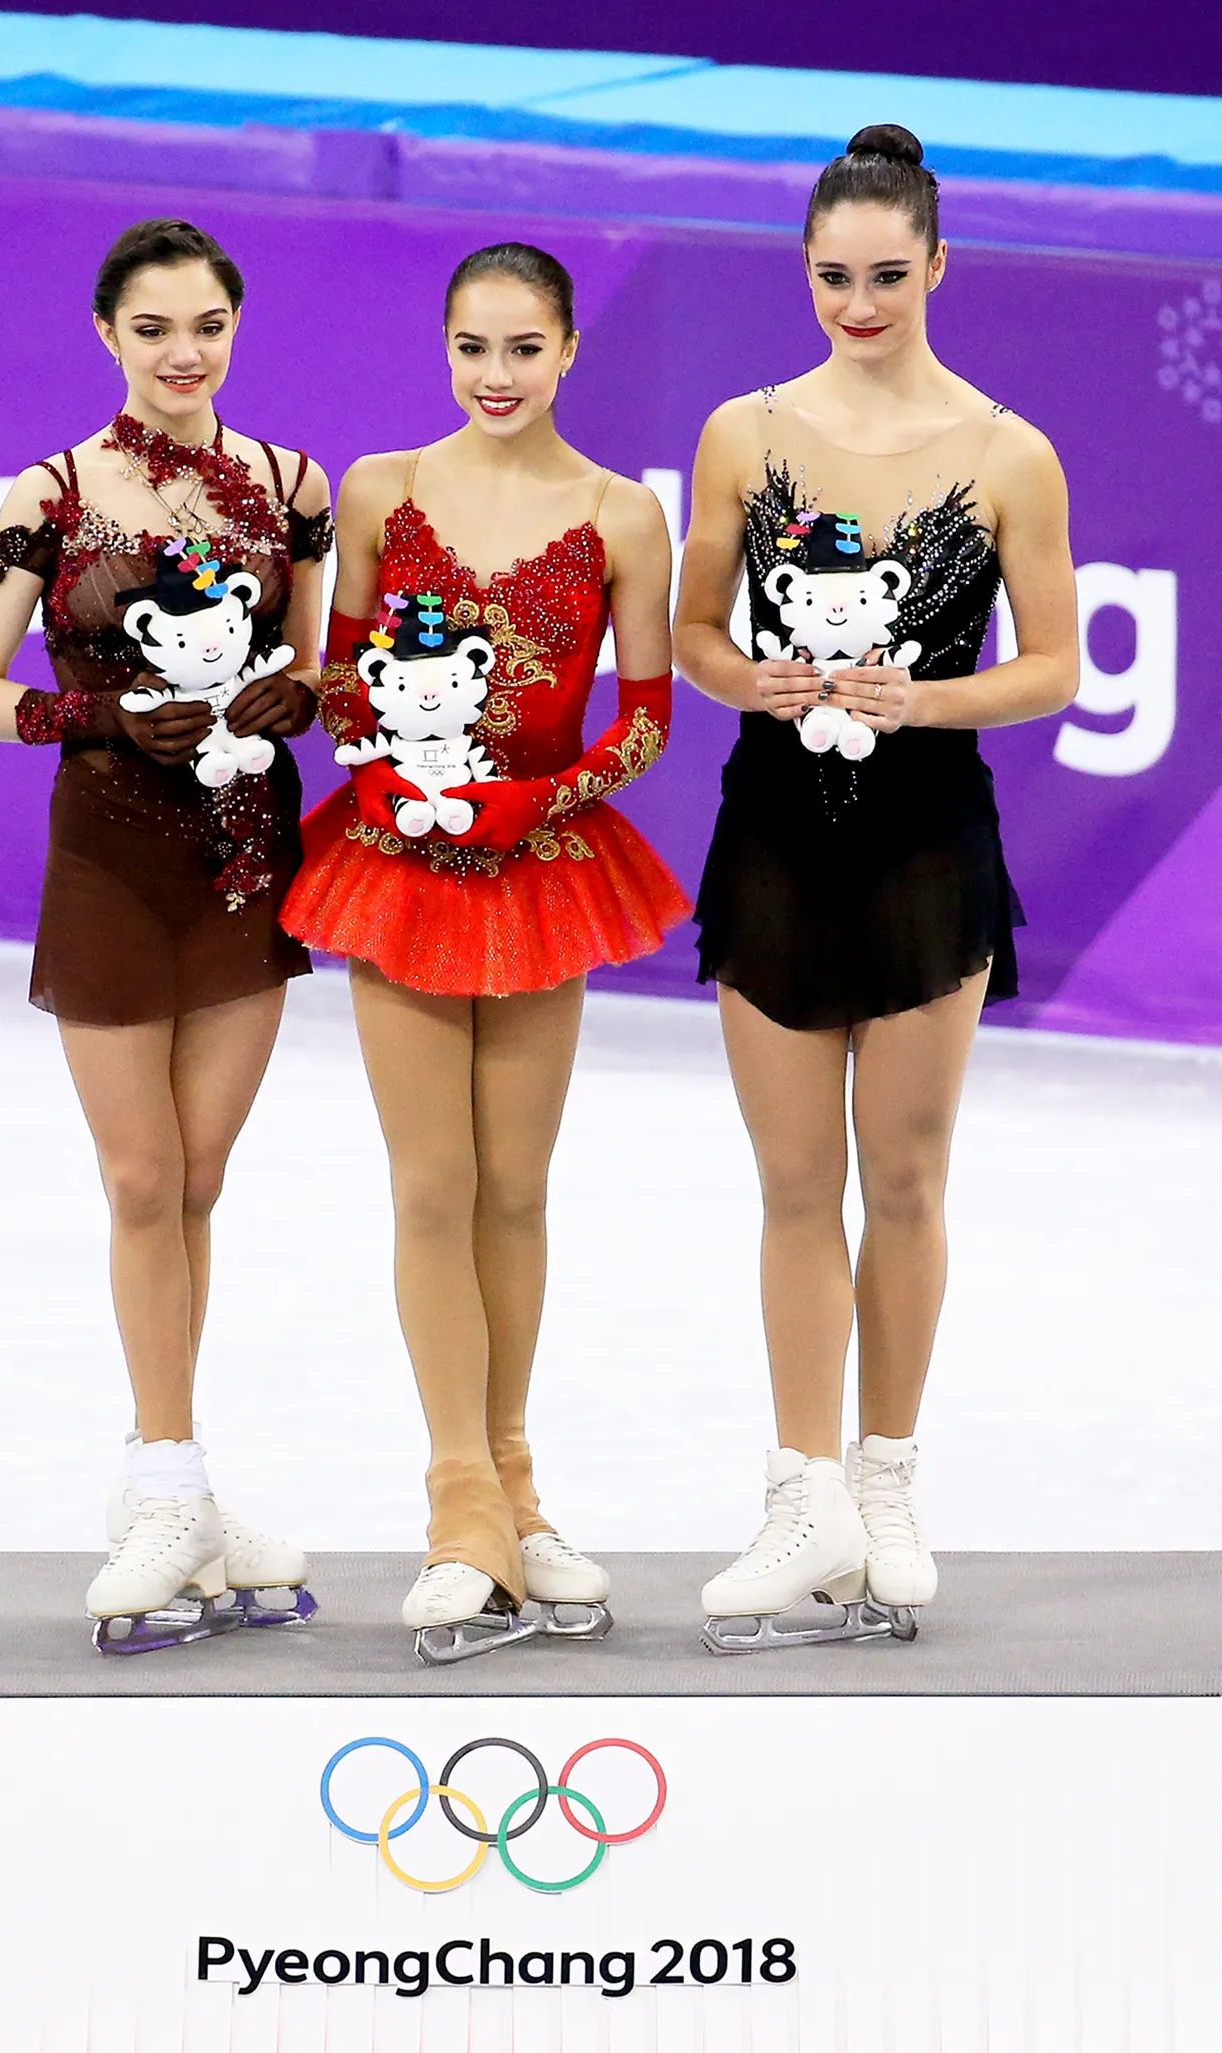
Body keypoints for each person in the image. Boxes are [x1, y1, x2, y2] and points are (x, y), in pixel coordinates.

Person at [672, 127, 1079, 1652]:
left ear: (939, 268)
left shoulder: (1006, 453)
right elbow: (695, 634)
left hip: (924, 848)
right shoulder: (742, 433)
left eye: (887, 275)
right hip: (774, 834)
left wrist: (922, 702)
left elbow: (1053, 665)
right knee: (793, 1185)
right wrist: (754, 680)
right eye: (835, 275)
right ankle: (798, 1493)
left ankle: (887, 1480)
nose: (859, 301)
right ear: (805, 271)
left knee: (903, 1177)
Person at [283, 242, 689, 1663]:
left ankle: (516, 1489)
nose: (496, 376)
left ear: (570, 350)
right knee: (432, 1183)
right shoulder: (382, 490)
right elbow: (338, 671)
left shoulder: (623, 515)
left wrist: (534, 799)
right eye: (472, 347)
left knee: (514, 1186)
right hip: (401, 863)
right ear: (443, 349)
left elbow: (645, 719)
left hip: (539, 867)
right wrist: (381, 766)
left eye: (523, 348)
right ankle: (457, 1499)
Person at [0, 218, 331, 1651]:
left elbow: (325, 665)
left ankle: (181, 1483)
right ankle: (165, 1479)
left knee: (199, 1178)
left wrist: (313, 697)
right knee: (140, 1172)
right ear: (108, 333)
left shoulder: (295, 488)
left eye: (209, 325)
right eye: (156, 328)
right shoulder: (50, 498)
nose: (184, 354)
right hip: (108, 860)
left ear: (236, 329)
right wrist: (96, 713)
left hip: (243, 861)